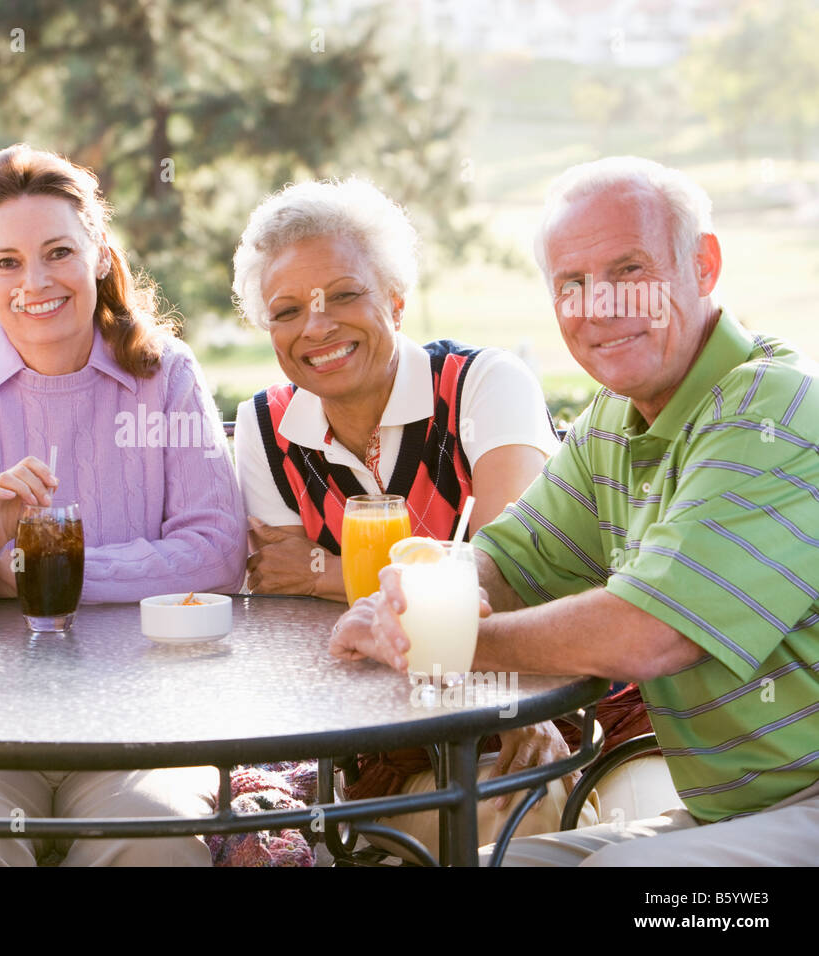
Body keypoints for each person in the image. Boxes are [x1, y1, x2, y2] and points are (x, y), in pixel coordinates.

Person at [331, 156, 819, 866]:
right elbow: (510, 560)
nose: (600, 307)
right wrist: (411, 599)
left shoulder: (773, 408)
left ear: (704, 264)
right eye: (574, 283)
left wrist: (446, 638)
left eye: (629, 270)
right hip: (737, 815)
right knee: (506, 863)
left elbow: (650, 633)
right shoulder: (614, 421)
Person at [230, 178, 672, 861]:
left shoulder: (485, 385)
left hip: (565, 705)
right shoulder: (266, 426)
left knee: (549, 828)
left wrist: (328, 573)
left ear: (396, 300)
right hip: (393, 737)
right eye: (286, 310)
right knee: (465, 834)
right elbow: (286, 606)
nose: (315, 327)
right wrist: (343, 586)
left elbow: (515, 575)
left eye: (345, 294)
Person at [0, 144, 245, 866]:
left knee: (153, 851)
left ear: (100, 253)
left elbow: (218, 552)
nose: (33, 282)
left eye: (58, 252)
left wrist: (52, 572)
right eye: (5, 261)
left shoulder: (162, 376)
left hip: (139, 718)